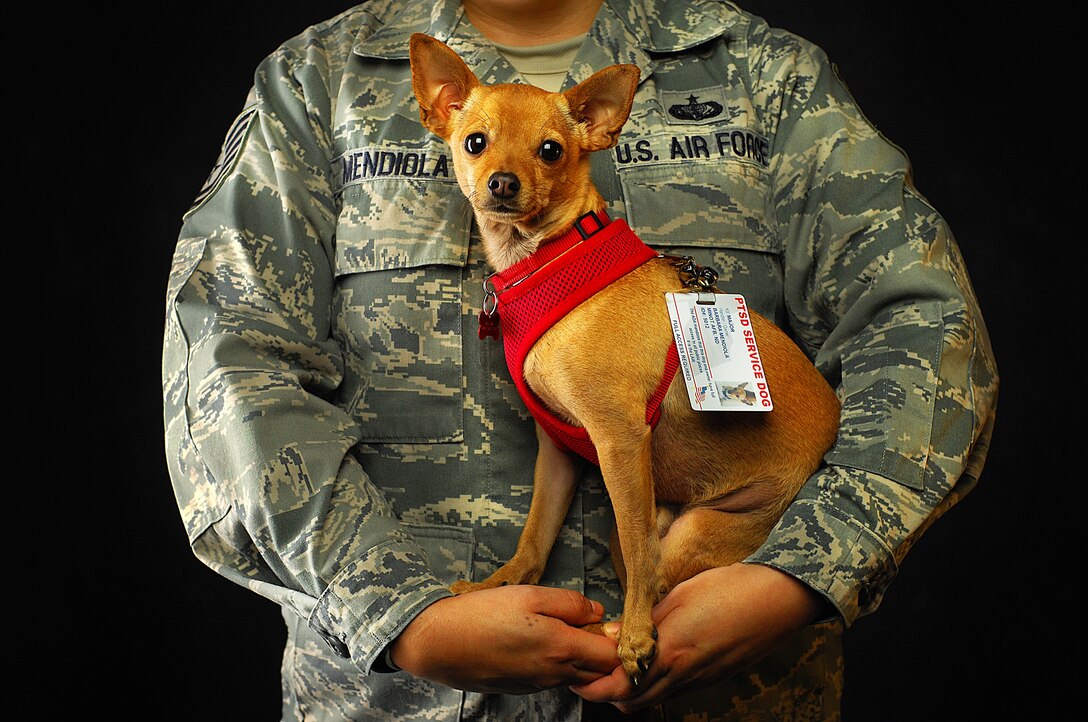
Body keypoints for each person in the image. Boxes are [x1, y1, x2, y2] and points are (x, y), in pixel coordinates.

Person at [161, 0, 998, 719]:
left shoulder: (763, 73)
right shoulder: (320, 79)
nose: (504, 175)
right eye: (481, 147)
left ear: (594, 130)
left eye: (546, 153)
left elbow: (926, 333)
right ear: (441, 113)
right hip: (398, 700)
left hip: (733, 693)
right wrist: (398, 613)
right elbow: (229, 368)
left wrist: (802, 575)